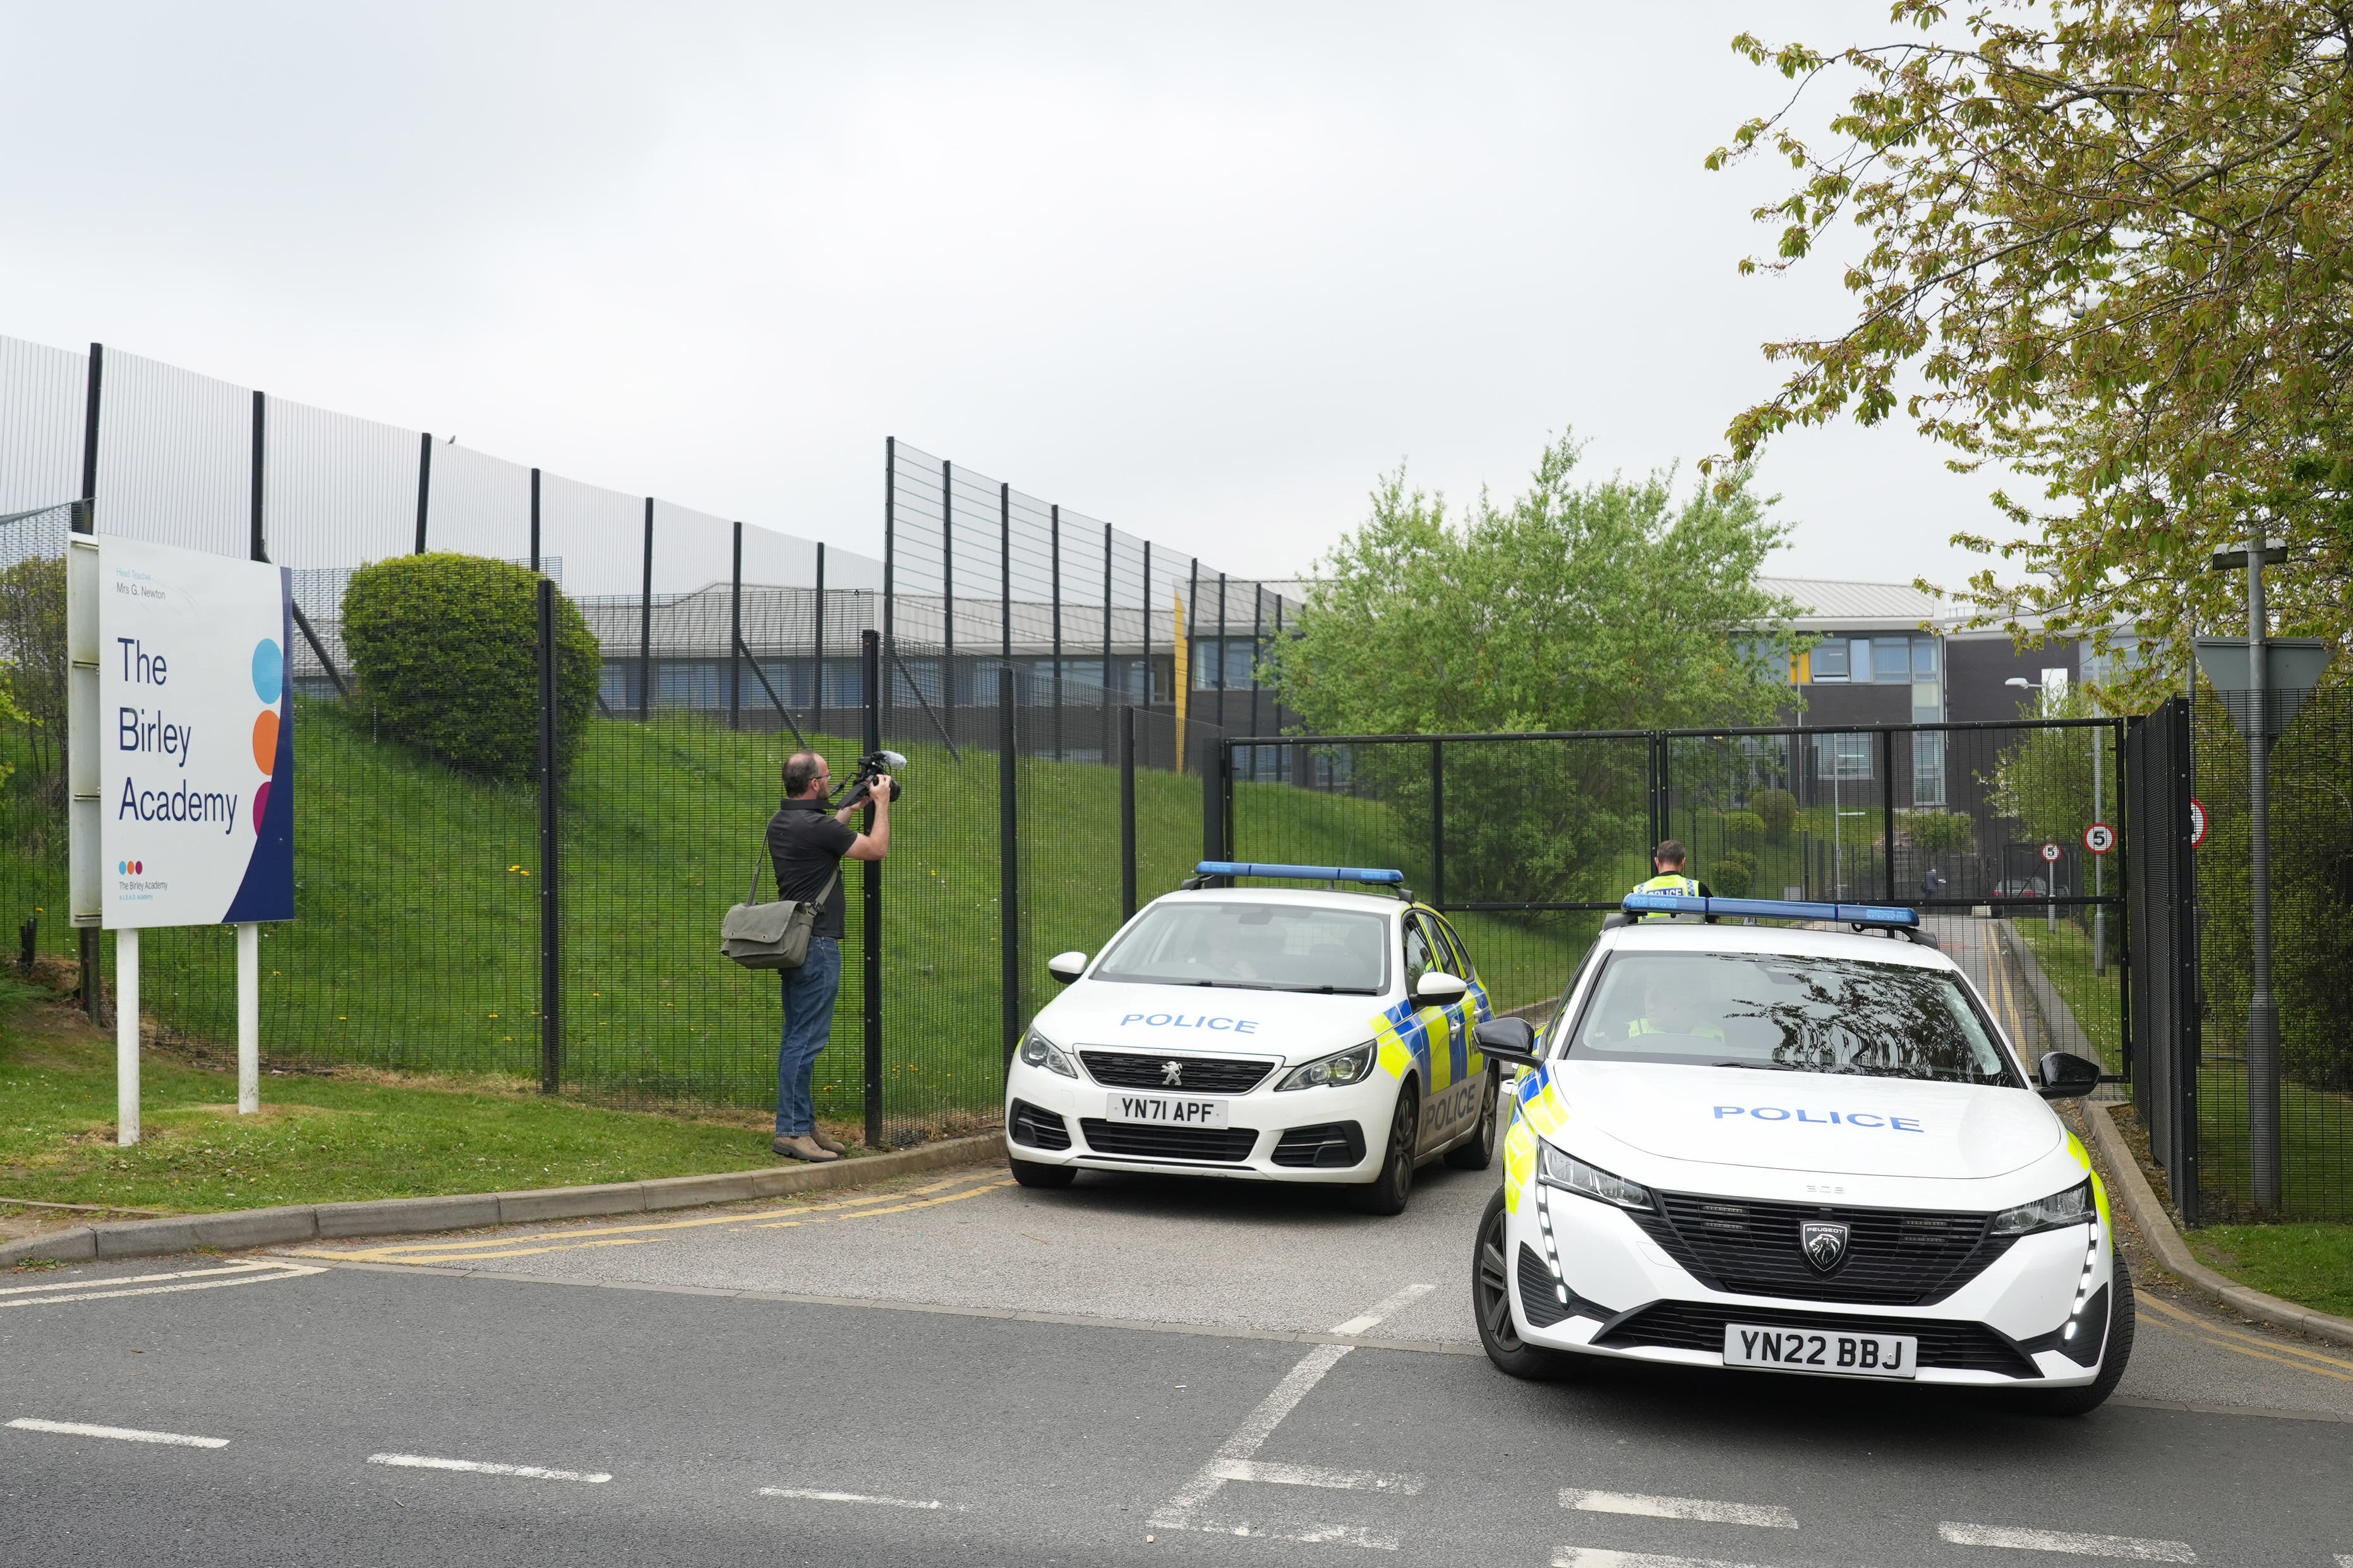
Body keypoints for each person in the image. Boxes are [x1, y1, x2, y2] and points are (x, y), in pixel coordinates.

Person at [764, 751, 891, 1163]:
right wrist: (882, 805)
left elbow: (826, 838)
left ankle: (803, 1122)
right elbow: (875, 849)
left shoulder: (783, 822)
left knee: (797, 1035)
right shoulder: (815, 826)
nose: (831, 780)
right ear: (816, 784)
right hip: (817, 945)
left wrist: (851, 808)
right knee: (805, 1040)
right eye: (827, 776)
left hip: (796, 942)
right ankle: (792, 1131)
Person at [1627, 840, 1713, 922]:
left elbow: (1630, 926)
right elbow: (1714, 922)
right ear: (1683, 862)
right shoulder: (1696, 888)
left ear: (1657, 861)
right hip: (1689, 938)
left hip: (1651, 937)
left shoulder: (1638, 893)